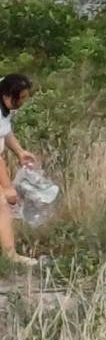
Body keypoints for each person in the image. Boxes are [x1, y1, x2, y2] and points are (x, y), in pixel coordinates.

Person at [0, 74, 38, 266]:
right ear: (7, 95)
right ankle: (10, 256)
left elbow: (4, 131)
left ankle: (9, 255)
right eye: (20, 98)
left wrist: (19, 152)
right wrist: (7, 187)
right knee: (2, 204)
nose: (23, 101)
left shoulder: (4, 101)